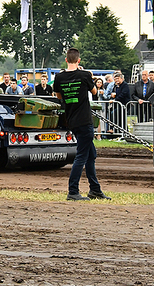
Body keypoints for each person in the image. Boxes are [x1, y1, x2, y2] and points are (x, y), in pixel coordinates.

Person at [53, 48, 110, 201]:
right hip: (84, 120)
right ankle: (73, 191)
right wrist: (88, 76)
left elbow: (59, 96)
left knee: (90, 155)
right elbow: (94, 92)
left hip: (71, 120)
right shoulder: (84, 75)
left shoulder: (59, 77)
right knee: (82, 156)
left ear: (66, 60)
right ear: (79, 60)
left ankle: (95, 190)